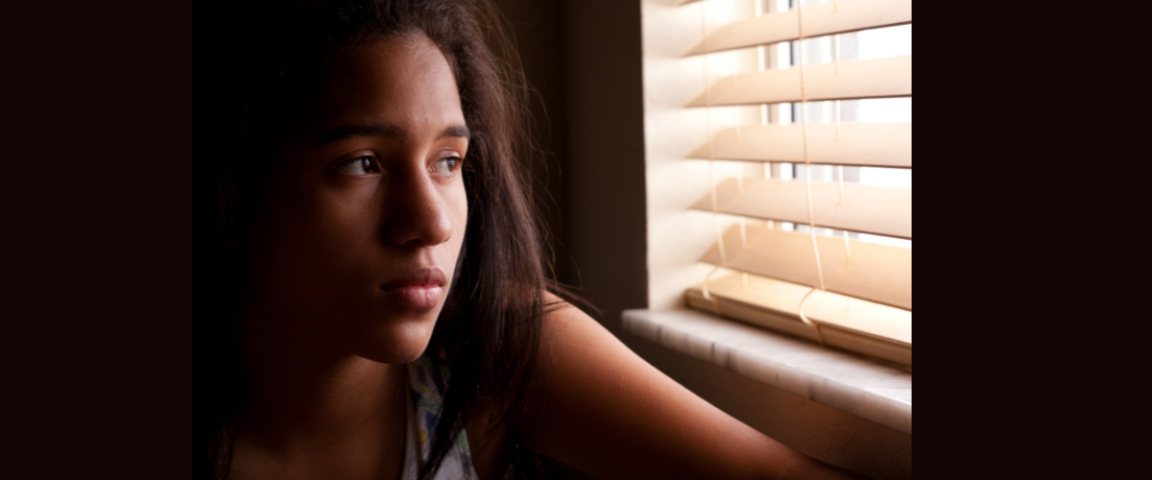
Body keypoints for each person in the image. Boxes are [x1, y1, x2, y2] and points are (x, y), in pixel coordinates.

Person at [194, 1, 867, 479]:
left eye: (448, 162)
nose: (431, 223)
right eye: (362, 163)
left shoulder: (496, 357)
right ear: (232, 183)